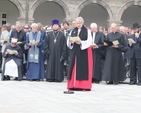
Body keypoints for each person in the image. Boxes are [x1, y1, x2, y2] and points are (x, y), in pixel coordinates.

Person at [67, 17, 93, 91]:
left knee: (82, 68)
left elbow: (89, 41)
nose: (78, 25)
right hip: (74, 50)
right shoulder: (73, 31)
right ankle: (73, 85)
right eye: (77, 23)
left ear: (82, 23)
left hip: (83, 51)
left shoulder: (87, 31)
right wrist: (71, 42)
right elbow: (68, 40)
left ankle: (83, 85)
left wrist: (81, 42)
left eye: (80, 23)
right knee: (73, 67)